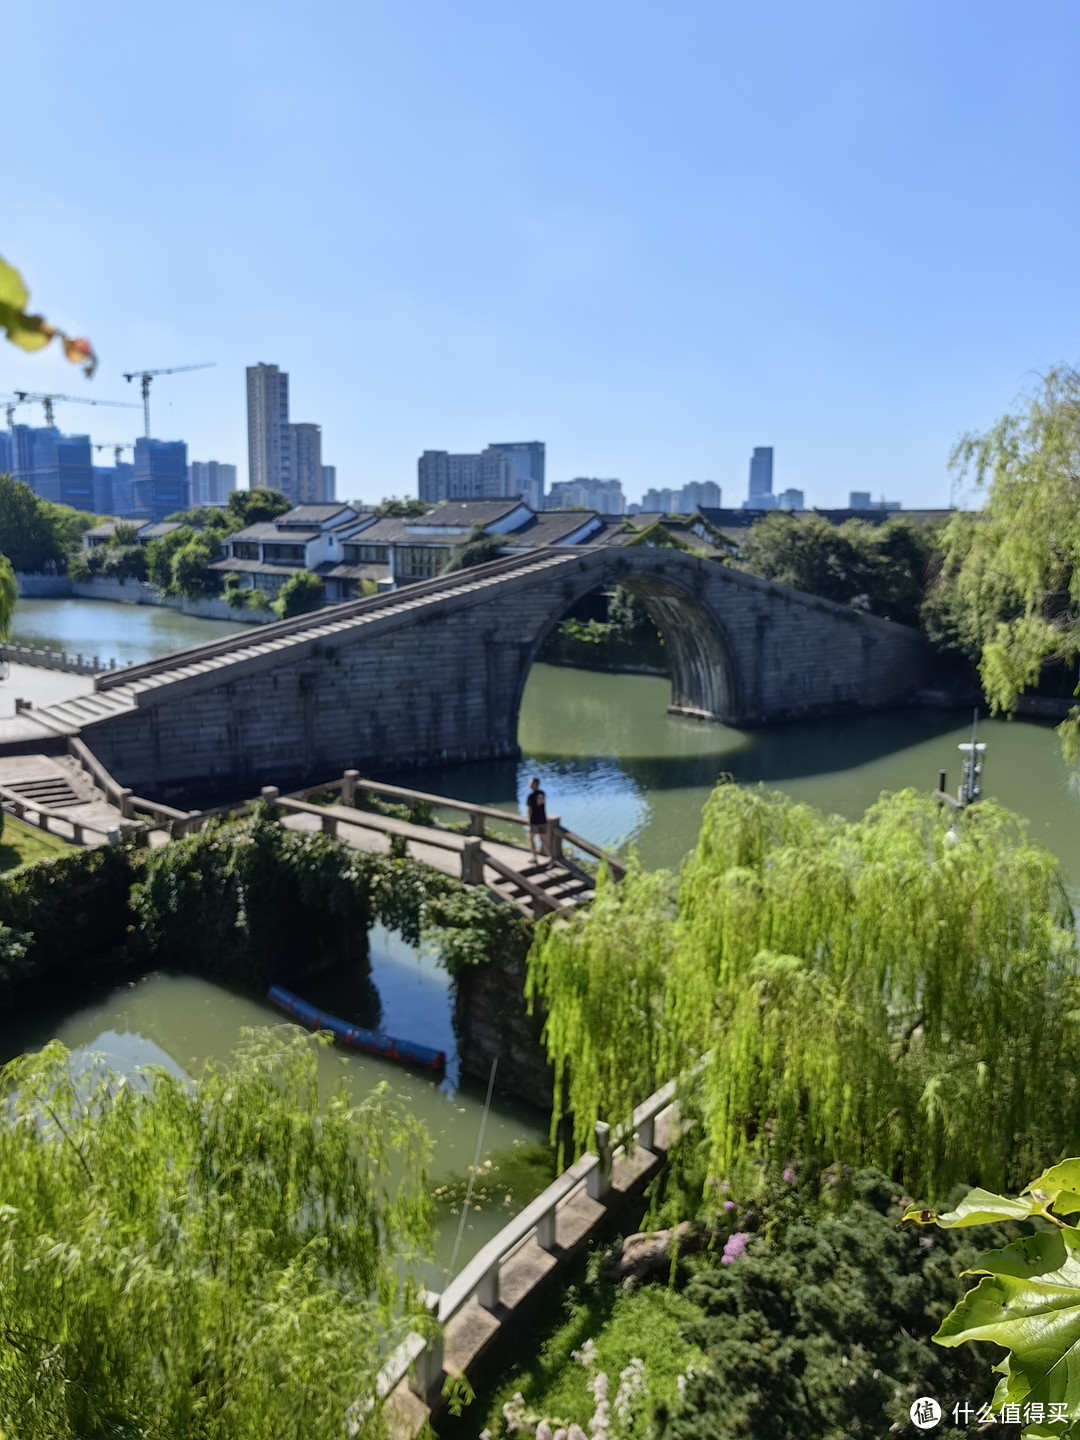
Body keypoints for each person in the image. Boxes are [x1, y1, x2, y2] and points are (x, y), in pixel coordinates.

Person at [525, 776, 548, 861]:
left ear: (534, 784)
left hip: (534, 821)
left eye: (530, 783)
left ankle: (534, 857)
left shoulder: (531, 796)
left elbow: (530, 810)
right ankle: (552, 857)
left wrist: (529, 820)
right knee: (544, 840)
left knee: (530, 839)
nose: (528, 784)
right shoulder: (542, 793)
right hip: (543, 820)